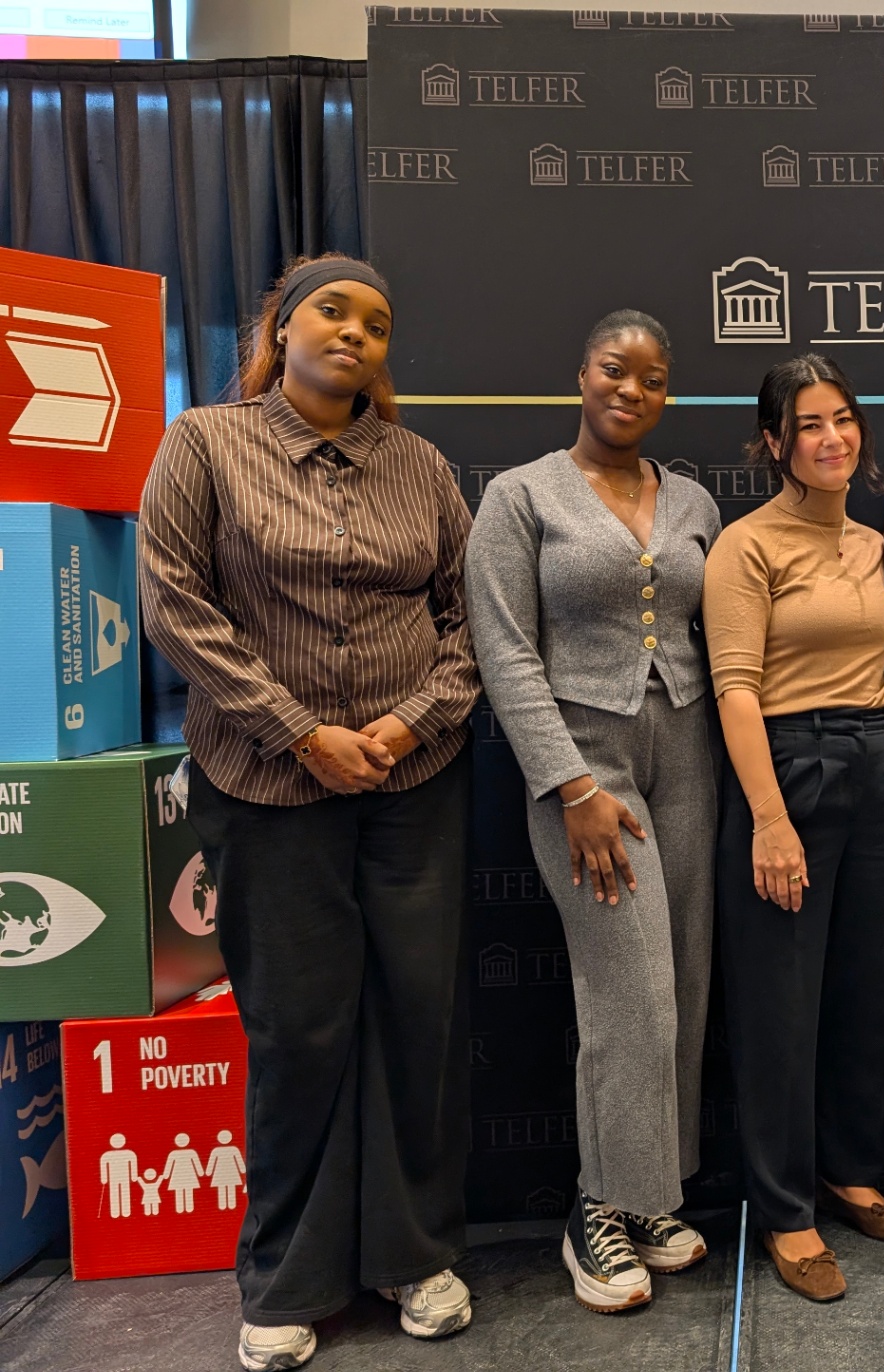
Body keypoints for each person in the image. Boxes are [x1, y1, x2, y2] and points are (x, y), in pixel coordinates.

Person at [139, 252, 481, 1372]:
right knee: (297, 1030)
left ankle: (414, 1256)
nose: (355, 334)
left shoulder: (421, 464)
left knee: (416, 1017)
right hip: (265, 787)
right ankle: (286, 1277)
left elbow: (468, 623)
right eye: (333, 312)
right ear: (282, 328)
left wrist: (401, 727)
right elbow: (174, 605)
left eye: (377, 324)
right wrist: (298, 727)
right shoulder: (204, 444)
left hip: (410, 787)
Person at [466, 309, 720, 1317]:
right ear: (582, 374)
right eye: (616, 369)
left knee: (688, 984)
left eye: (653, 380)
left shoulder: (694, 498)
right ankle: (598, 1207)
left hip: (690, 753)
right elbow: (504, 649)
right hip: (587, 766)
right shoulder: (520, 495)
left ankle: (654, 1194)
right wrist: (568, 784)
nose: (632, 390)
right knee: (629, 994)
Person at [703, 355, 884, 1303]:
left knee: (866, 990)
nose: (832, 439)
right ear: (774, 443)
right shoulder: (745, 546)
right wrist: (769, 820)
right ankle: (786, 1208)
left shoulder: (876, 544)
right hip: (787, 765)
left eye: (843, 419)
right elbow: (734, 688)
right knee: (779, 1005)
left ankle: (849, 1168)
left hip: (877, 762)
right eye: (809, 425)